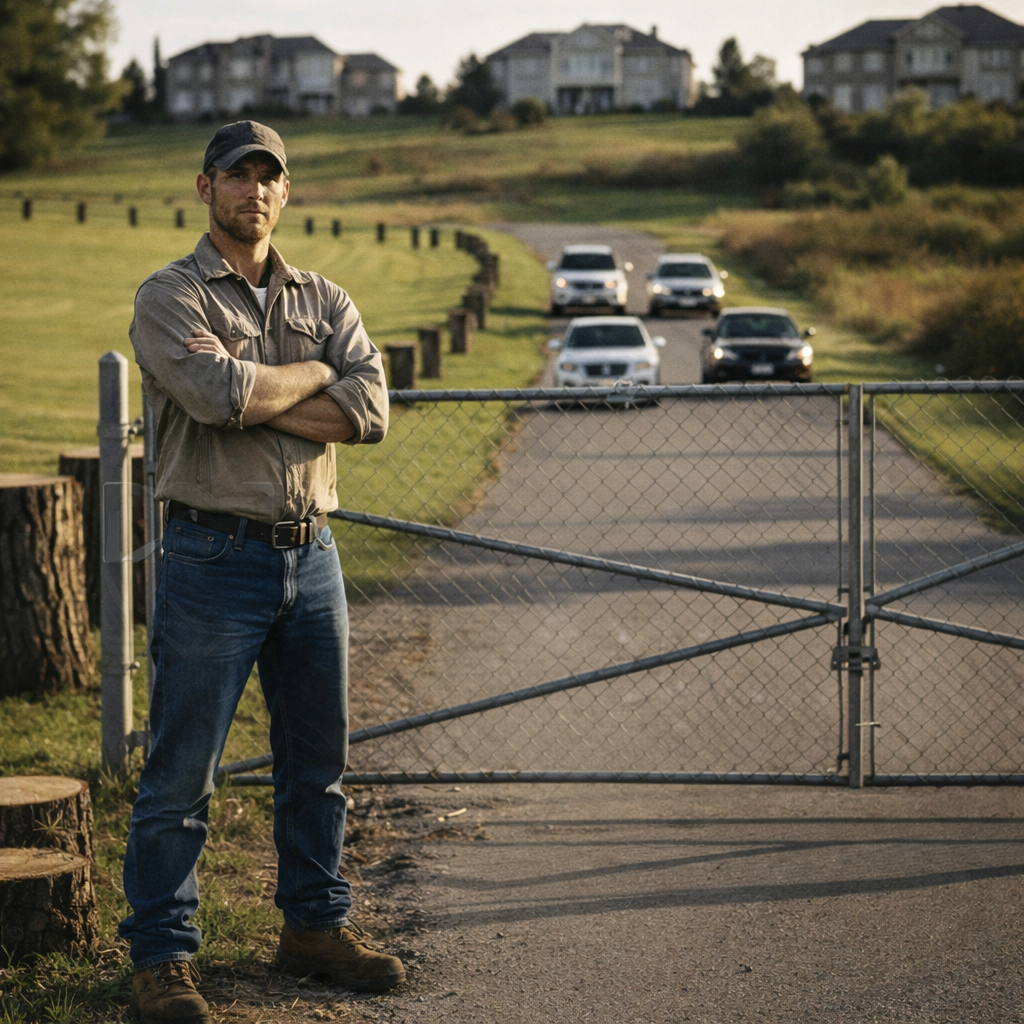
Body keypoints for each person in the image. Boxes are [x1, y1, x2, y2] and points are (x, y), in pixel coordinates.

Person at [121, 120, 403, 1024]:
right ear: (205, 188)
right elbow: (214, 395)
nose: (255, 191)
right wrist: (309, 374)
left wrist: (265, 388)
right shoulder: (170, 295)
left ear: (285, 192)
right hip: (211, 555)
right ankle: (162, 956)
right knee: (183, 775)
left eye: (269, 178)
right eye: (237, 176)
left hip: (312, 556)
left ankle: (313, 930)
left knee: (318, 765)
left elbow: (369, 410)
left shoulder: (324, 295)